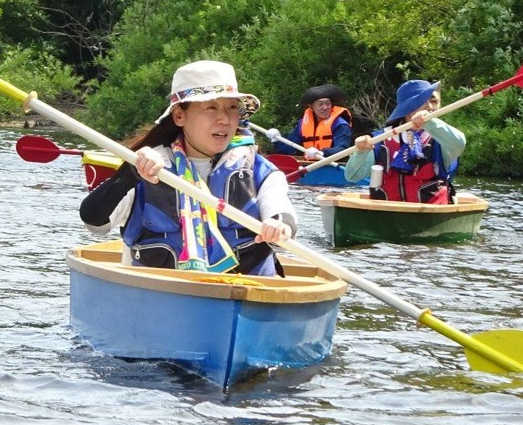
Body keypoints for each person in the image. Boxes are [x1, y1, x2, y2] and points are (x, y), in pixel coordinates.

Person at [79, 60, 295, 275]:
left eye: (231, 108)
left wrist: (278, 227)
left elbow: (281, 212)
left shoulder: (260, 170)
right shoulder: (149, 166)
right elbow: (94, 222)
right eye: (211, 107)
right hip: (160, 295)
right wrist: (130, 172)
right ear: (179, 116)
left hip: (247, 294)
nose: (224, 119)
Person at [345, 79, 464, 204]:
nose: (430, 107)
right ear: (408, 106)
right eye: (423, 101)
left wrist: (431, 123)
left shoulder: (442, 136)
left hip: (430, 213)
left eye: (434, 101)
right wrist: (361, 152)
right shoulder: (382, 139)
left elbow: (459, 143)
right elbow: (352, 176)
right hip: (387, 212)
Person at [271, 84, 351, 158]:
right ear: (311, 107)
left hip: (333, 166)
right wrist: (277, 139)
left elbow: (342, 149)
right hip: (310, 166)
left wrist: (322, 153)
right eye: (320, 104)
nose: (325, 107)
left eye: (328, 103)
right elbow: (287, 149)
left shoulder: (340, 124)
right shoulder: (302, 125)